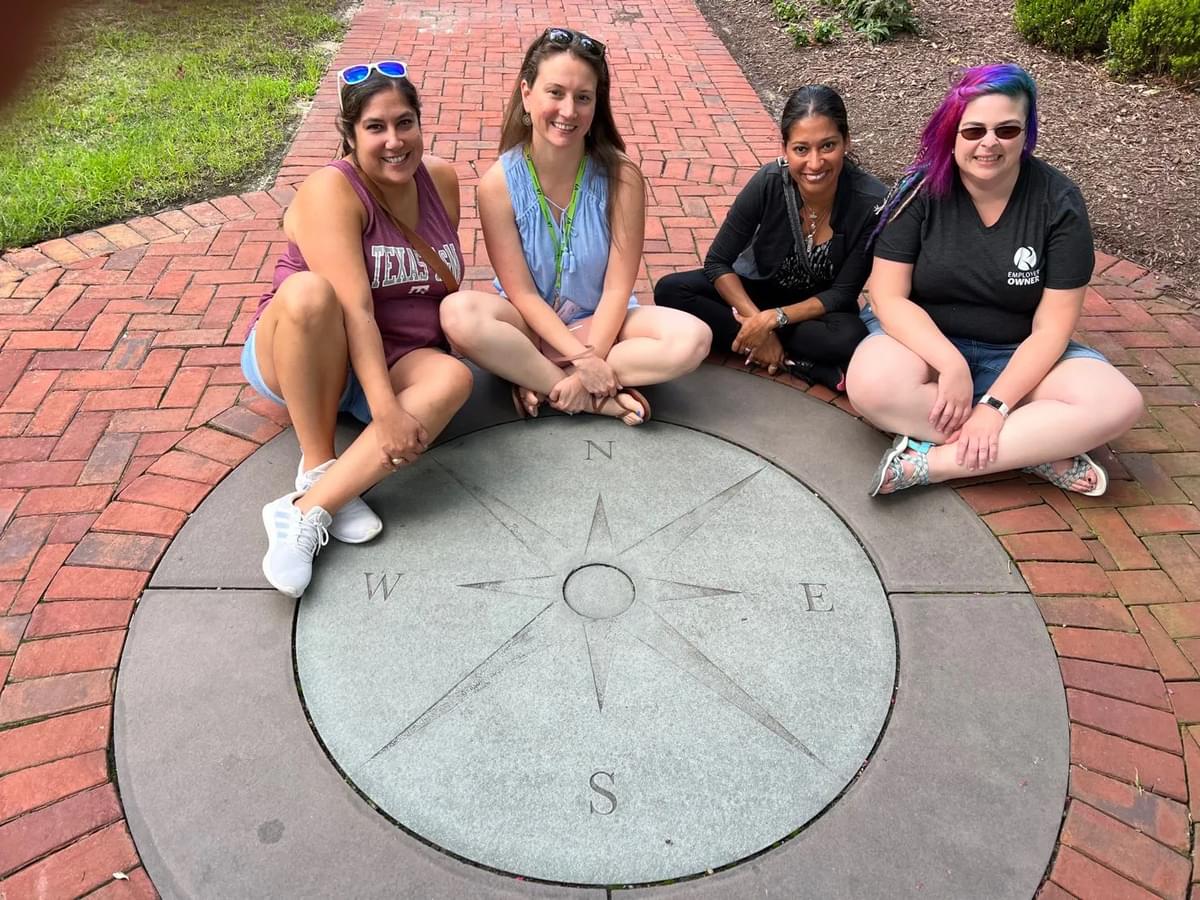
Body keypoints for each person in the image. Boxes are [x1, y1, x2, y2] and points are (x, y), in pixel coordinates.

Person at [845, 63, 1142, 496]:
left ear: (1026, 133)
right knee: (871, 383)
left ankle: (933, 462)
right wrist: (950, 365)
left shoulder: (1058, 202)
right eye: (973, 131)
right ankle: (1035, 448)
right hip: (924, 348)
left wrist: (995, 407)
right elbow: (887, 296)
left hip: (1016, 353)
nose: (989, 143)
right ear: (952, 132)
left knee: (1118, 403)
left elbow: (1053, 327)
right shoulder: (920, 189)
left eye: (1006, 130)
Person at [240, 61, 473, 597]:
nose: (394, 141)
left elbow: (437, 283)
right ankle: (318, 462)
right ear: (349, 134)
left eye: (405, 122)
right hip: (308, 347)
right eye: (375, 127)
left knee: (454, 380)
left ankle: (311, 506)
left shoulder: (440, 180)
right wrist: (389, 413)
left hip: (394, 351)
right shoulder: (332, 189)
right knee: (309, 292)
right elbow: (356, 311)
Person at [439, 28, 710, 424]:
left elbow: (618, 287)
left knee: (693, 339)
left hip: (603, 323)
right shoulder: (498, 184)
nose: (569, 111)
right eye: (556, 92)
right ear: (527, 93)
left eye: (583, 97)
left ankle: (543, 380)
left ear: (596, 105)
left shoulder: (622, 178)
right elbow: (523, 294)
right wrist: (582, 362)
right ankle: (589, 394)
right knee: (458, 313)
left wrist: (590, 356)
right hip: (529, 325)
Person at [653, 85, 887, 390]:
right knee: (671, 290)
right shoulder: (770, 182)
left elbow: (842, 293)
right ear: (785, 149)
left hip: (815, 310)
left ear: (846, 142)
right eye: (801, 149)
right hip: (758, 292)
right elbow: (718, 262)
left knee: (849, 337)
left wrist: (774, 320)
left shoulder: (870, 201)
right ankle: (794, 360)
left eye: (827, 146)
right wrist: (758, 322)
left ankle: (769, 350)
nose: (815, 163)